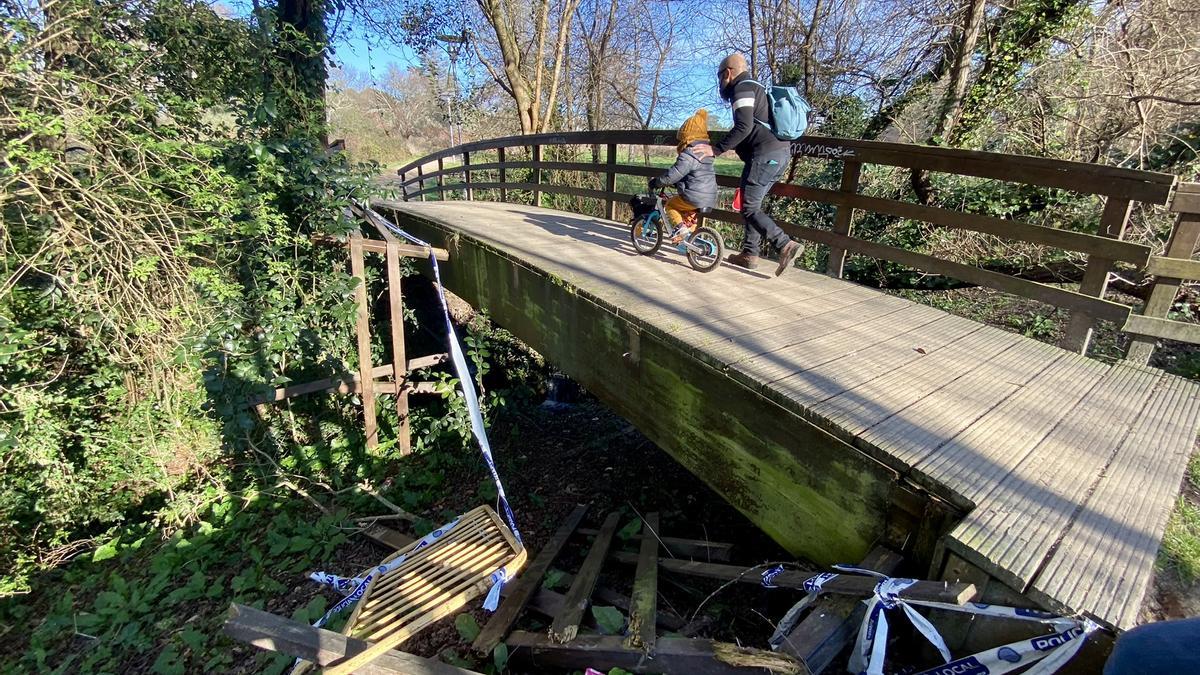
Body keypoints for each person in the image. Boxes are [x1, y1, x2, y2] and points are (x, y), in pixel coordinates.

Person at [697, 53, 802, 276]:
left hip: (765, 157)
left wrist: (716, 149)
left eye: (719, 78)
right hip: (777, 155)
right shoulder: (756, 87)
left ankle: (785, 245)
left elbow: (743, 127)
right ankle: (749, 254)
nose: (720, 84)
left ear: (727, 73)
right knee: (750, 204)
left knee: (749, 207)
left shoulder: (741, 88)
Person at [648, 109, 718, 245]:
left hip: (694, 196)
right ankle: (688, 241)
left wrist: (657, 183)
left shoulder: (689, 153)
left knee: (670, 205)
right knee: (688, 214)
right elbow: (694, 175)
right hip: (710, 196)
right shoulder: (706, 153)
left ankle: (680, 230)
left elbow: (673, 174)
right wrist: (680, 183)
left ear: (688, 136)